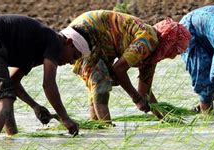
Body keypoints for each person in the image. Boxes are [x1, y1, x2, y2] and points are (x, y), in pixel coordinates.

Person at [0, 14, 82, 140]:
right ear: (68, 42)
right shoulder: (54, 42)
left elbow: (13, 82)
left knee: (7, 93)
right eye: (74, 55)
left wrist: (35, 106)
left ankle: (11, 137)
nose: (71, 62)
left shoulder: (37, 47)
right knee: (5, 97)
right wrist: (65, 119)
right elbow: (49, 84)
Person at [63, 10, 191, 122]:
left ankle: (96, 126)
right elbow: (118, 69)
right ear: (169, 42)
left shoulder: (151, 56)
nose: (174, 56)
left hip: (102, 41)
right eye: (176, 49)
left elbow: (144, 93)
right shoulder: (148, 40)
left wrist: (164, 117)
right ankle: (106, 131)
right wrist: (136, 99)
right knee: (100, 82)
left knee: (98, 83)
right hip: (86, 33)